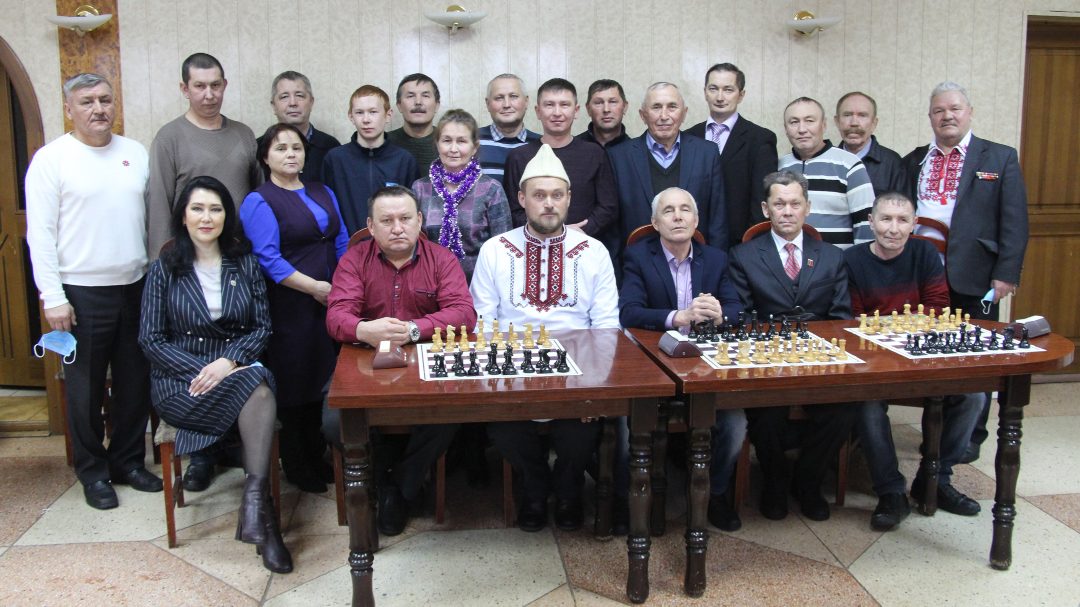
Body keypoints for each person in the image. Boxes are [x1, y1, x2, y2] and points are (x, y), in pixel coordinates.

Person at [138, 176, 291, 573]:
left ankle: (257, 507)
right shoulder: (164, 268)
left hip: (235, 370)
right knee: (259, 388)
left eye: (215, 209)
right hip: (181, 382)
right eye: (198, 209)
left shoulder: (245, 263)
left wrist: (229, 363)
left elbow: (261, 328)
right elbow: (151, 341)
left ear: (226, 216)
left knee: (258, 389)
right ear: (183, 216)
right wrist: (205, 370)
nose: (207, 218)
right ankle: (263, 516)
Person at [25, 72, 161, 510]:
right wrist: (52, 297)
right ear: (69, 109)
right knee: (84, 390)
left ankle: (127, 462)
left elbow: (150, 220)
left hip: (135, 287)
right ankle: (93, 472)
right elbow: (40, 235)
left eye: (105, 99)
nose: (98, 109)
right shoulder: (51, 160)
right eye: (87, 102)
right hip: (80, 293)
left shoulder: (135, 153)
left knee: (134, 383)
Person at [471, 144, 620, 532]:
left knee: (580, 428)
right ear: (522, 199)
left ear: (569, 198)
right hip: (513, 367)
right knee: (503, 426)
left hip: (579, 371)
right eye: (539, 195)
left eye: (557, 195)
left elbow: (606, 326)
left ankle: (569, 492)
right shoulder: (494, 251)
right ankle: (535, 490)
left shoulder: (594, 252)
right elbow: (483, 322)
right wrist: (498, 381)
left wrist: (595, 387)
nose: (549, 204)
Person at [325, 186, 476, 536]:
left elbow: (464, 314)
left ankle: (400, 487)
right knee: (334, 423)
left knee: (451, 413)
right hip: (364, 360)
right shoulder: (354, 260)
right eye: (387, 220)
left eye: (405, 218)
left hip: (425, 359)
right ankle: (384, 480)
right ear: (371, 226)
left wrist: (413, 329)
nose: (397, 228)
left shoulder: (441, 259)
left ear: (419, 220)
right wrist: (364, 329)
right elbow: (336, 317)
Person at [902, 81, 1029, 464]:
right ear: (930, 117)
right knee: (929, 354)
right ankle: (936, 432)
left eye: (955, 108)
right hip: (923, 277)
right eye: (939, 110)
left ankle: (971, 438)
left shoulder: (999, 157)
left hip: (976, 274)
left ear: (969, 112)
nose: (947, 116)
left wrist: (1006, 273)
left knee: (977, 357)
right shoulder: (915, 159)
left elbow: (1014, 222)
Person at [844, 191, 983, 531]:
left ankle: (935, 479)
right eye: (885, 219)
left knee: (974, 396)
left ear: (914, 224)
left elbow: (937, 308)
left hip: (922, 355)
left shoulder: (925, 253)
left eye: (902, 220)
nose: (893, 228)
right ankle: (890, 490)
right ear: (871, 222)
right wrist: (897, 328)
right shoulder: (852, 260)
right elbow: (852, 320)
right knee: (866, 404)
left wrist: (888, 326)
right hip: (874, 360)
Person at [728, 170, 855, 522]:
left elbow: (841, 319)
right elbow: (741, 316)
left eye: (795, 204)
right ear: (765, 209)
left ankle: (808, 482)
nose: (787, 211)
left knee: (844, 408)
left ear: (807, 208)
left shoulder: (831, 256)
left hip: (819, 359)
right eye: (779, 204)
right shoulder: (743, 255)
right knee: (766, 411)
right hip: (767, 359)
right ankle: (775, 481)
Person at [619, 187, 746, 532]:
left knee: (735, 425)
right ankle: (638, 501)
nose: (678, 216)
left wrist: (720, 315)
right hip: (653, 366)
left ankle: (713, 494)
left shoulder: (715, 259)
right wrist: (679, 317)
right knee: (632, 428)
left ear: (696, 219)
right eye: (669, 211)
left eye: (685, 209)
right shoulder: (638, 256)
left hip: (705, 367)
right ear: (654, 222)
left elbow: (737, 309)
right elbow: (629, 312)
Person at [241, 123, 348, 493]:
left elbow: (341, 240)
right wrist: (314, 287)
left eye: (296, 148)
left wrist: (343, 285)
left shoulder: (322, 190)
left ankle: (319, 456)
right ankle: (297, 464)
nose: (290, 154)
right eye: (281, 148)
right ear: (265, 157)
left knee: (325, 376)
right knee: (295, 380)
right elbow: (268, 259)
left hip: (331, 299)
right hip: (290, 303)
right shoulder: (259, 200)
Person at [147, 52, 262, 262]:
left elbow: (260, 196)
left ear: (224, 85)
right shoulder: (169, 137)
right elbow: (159, 205)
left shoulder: (244, 134)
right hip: (189, 255)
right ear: (185, 89)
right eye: (200, 86)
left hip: (239, 252)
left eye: (215, 85)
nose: (209, 95)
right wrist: (161, 263)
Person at [608, 82, 728, 251]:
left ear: (684, 113)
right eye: (656, 107)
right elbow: (612, 224)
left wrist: (717, 262)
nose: (664, 116)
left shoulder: (706, 153)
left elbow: (718, 217)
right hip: (636, 261)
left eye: (672, 107)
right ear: (643, 115)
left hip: (695, 259)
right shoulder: (618, 156)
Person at [503, 78, 618, 241]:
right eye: (549, 105)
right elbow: (513, 210)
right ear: (538, 111)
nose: (557, 113)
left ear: (576, 110)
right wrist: (550, 233)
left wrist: (576, 233)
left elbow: (608, 207)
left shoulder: (595, 153)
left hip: (584, 242)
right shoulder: (518, 157)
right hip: (532, 243)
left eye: (564, 105)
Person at [411, 109, 512, 281]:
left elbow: (503, 248)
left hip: (478, 285)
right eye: (447, 140)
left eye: (462, 141)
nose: (453, 149)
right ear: (437, 144)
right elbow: (412, 244)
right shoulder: (420, 188)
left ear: (474, 147)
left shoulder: (491, 189)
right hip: (429, 283)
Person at [686, 63, 779, 245]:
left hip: (739, 242)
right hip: (692, 239)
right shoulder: (689, 136)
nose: (720, 97)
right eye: (713, 89)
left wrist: (751, 245)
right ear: (705, 92)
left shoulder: (760, 139)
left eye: (728, 90)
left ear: (741, 95)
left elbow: (761, 200)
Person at [778, 97, 875, 248]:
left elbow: (866, 223)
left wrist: (861, 260)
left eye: (809, 121)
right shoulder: (780, 167)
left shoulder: (849, 164)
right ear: (785, 128)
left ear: (823, 125)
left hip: (839, 261)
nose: (802, 129)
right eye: (794, 122)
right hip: (790, 260)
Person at [322, 85, 418, 236]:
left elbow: (411, 211)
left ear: (388, 115)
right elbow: (327, 209)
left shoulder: (404, 160)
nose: (366, 120)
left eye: (373, 112)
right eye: (359, 112)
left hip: (393, 243)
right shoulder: (335, 159)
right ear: (351, 116)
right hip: (348, 245)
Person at [260, 70, 340, 185]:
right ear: (274, 106)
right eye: (284, 97)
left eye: (299, 95)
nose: (293, 103)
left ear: (311, 102)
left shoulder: (331, 147)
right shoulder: (259, 148)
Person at [834, 91, 907, 196]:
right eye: (847, 115)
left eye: (862, 115)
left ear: (874, 123)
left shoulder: (892, 163)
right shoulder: (826, 161)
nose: (854, 123)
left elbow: (900, 204)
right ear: (837, 121)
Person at [477, 74, 541, 180]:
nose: (506, 104)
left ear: (526, 101)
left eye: (513, 96)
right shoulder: (471, 142)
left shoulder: (542, 145)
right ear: (488, 104)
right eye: (499, 98)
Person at [386, 73, 441, 171]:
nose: (418, 102)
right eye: (410, 96)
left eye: (425, 96)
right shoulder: (383, 143)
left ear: (436, 105)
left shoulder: (451, 144)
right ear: (399, 105)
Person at [577, 79, 632, 148]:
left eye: (613, 102)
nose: (606, 109)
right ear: (588, 109)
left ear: (624, 107)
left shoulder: (636, 152)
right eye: (598, 103)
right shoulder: (572, 149)